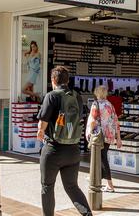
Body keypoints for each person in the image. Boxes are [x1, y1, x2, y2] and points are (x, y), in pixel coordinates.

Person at [36, 66, 92, 216]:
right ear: (67, 80)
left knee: (47, 186)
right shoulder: (77, 96)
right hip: (73, 150)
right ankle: (88, 214)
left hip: (53, 150)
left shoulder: (51, 96)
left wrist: (40, 131)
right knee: (72, 187)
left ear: (53, 80)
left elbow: (43, 123)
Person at [86, 86, 122, 192]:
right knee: (102, 156)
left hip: (99, 136)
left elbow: (92, 121)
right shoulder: (110, 105)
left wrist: (90, 133)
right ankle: (96, 177)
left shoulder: (95, 104)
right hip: (109, 135)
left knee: (102, 158)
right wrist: (118, 138)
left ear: (96, 93)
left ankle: (110, 185)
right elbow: (116, 121)